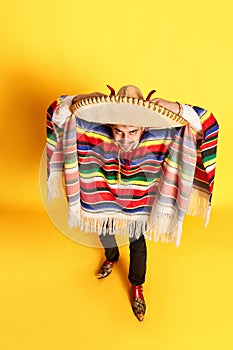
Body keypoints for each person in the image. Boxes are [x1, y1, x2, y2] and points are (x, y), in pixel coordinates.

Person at [46, 85, 218, 322]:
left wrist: (174, 108)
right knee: (105, 232)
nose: (125, 139)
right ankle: (112, 257)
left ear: (144, 128)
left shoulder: (161, 135)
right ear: (110, 126)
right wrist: (83, 100)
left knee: (137, 245)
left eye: (133, 132)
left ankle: (137, 286)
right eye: (118, 131)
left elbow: (204, 125)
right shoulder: (94, 131)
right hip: (103, 201)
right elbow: (58, 113)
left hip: (138, 205)